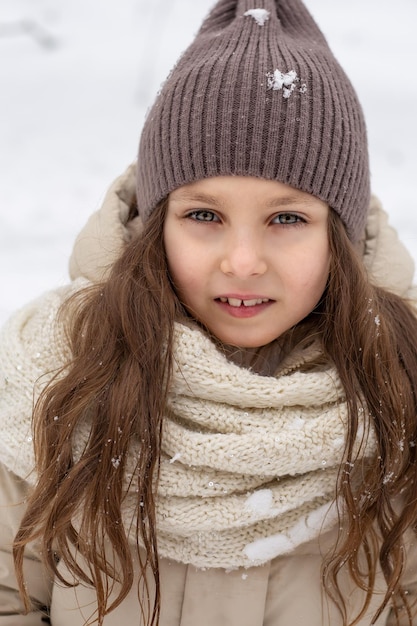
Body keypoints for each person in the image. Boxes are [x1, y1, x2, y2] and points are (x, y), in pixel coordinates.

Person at [1, 0, 417, 624]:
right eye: (203, 216)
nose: (243, 261)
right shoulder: (53, 380)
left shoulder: (399, 393)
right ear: (153, 222)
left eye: (286, 218)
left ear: (342, 235)